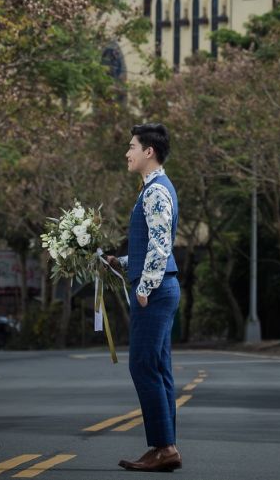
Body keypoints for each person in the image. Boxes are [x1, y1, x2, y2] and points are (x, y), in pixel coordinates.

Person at [107, 123, 182, 472]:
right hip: (160, 286)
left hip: (155, 290)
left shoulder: (155, 191)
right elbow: (150, 244)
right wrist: (120, 263)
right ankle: (165, 447)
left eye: (132, 146)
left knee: (143, 365)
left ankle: (164, 447)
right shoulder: (153, 188)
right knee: (158, 368)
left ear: (148, 151)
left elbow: (160, 244)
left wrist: (144, 287)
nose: (127, 153)